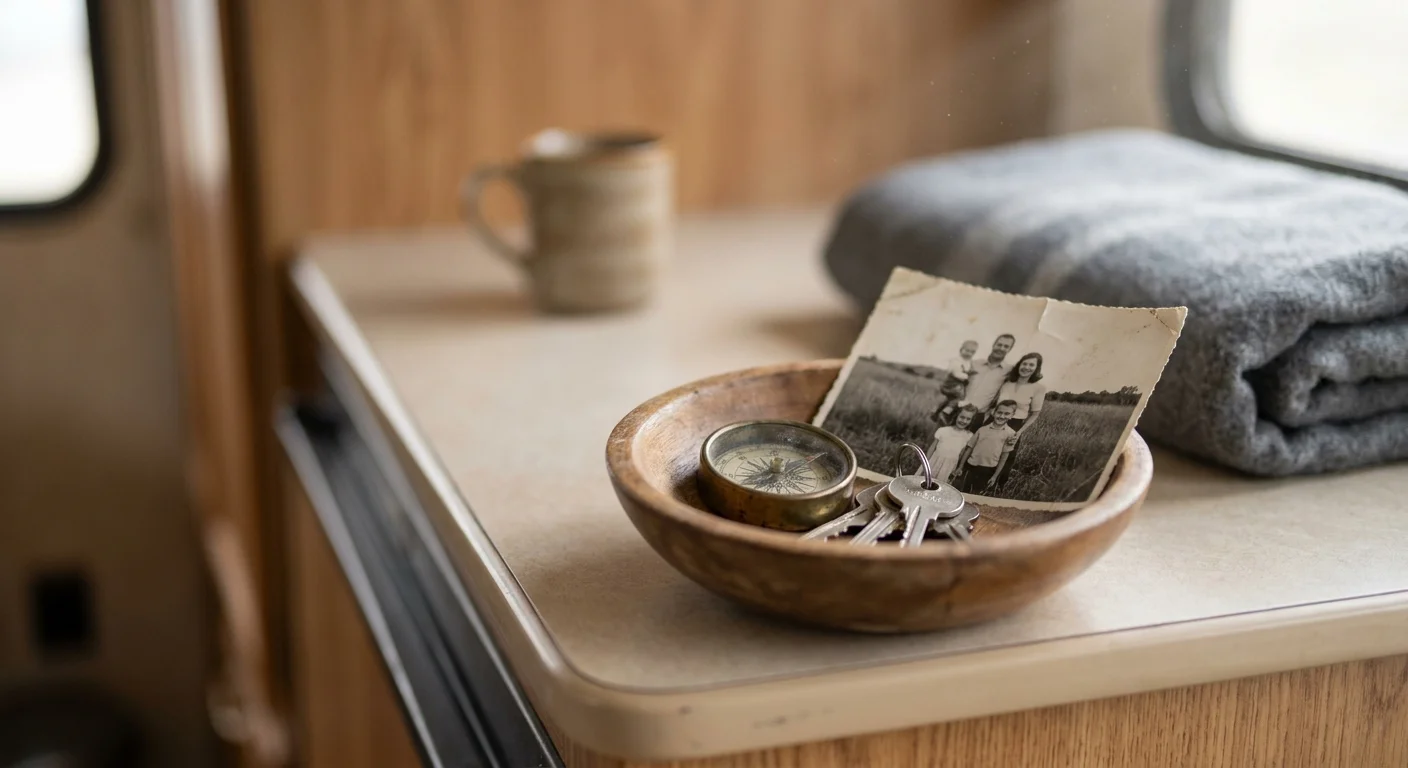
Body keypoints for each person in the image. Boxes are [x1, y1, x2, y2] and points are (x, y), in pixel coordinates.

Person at [992, 352, 1046, 487]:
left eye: (1031, 365)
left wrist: (1019, 432)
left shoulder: (1038, 388)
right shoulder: (1007, 383)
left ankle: (996, 487)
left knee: (1006, 456)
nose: (1026, 367)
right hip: (996, 420)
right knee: (989, 451)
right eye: (1024, 363)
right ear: (1019, 365)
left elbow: (1035, 413)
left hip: (1015, 425)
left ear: (1036, 368)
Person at [954, 400, 1019, 494]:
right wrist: (960, 466)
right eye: (999, 412)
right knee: (962, 490)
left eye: (1007, 414)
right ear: (994, 412)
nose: (1002, 416)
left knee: (976, 493)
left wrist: (994, 476)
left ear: (1012, 415)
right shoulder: (982, 430)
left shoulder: (1011, 434)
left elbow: (1004, 457)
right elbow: (969, 448)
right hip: (970, 466)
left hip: (988, 470)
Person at [958, 334, 1016, 424]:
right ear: (994, 345)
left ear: (1009, 350)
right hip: (958, 410)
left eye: (1006, 346)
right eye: (999, 344)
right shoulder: (975, 364)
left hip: (978, 416)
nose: (1001, 348)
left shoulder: (1008, 370)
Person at [930, 340, 978, 424]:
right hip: (951, 385)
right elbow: (956, 373)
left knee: (950, 399)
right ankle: (945, 412)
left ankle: (936, 412)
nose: (969, 354)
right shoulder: (956, 361)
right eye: (967, 350)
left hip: (953, 385)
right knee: (959, 398)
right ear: (961, 350)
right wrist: (967, 376)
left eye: (972, 352)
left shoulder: (967, 362)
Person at [927, 404, 977, 484]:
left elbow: (962, 454)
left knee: (940, 486)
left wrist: (960, 467)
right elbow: (932, 448)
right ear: (956, 415)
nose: (964, 421)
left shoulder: (969, 436)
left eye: (968, 419)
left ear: (972, 421)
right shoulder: (943, 430)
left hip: (949, 467)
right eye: (962, 417)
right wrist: (926, 462)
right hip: (933, 463)